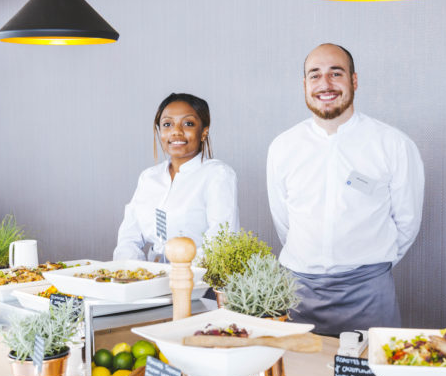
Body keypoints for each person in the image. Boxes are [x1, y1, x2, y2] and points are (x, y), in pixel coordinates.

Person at [266, 44, 424, 335]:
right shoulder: (282, 147)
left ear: (354, 80)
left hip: (369, 294)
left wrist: (365, 266)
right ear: (304, 85)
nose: (325, 84)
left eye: (335, 73)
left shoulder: (393, 144)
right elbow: (284, 222)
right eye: (315, 75)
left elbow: (407, 223)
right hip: (298, 294)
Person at [114, 93, 239, 262]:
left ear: (204, 132)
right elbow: (128, 239)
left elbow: (221, 242)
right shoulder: (149, 177)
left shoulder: (217, 175)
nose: (176, 132)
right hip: (149, 281)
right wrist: (134, 275)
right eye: (167, 124)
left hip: (197, 282)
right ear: (160, 132)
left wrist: (178, 273)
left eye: (188, 123)